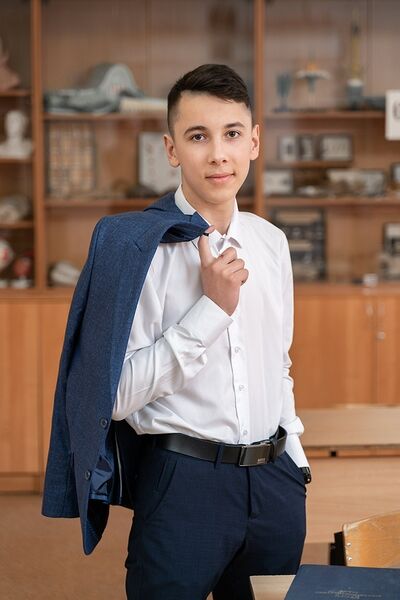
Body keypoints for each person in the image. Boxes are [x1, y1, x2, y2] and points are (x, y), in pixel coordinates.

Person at [42, 64, 310, 600]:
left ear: (254, 142)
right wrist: (210, 312)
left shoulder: (271, 242)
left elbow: (278, 363)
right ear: (171, 149)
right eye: (198, 136)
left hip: (275, 484)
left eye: (232, 134)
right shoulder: (135, 247)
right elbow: (113, 396)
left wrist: (296, 463)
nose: (218, 155)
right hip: (184, 485)